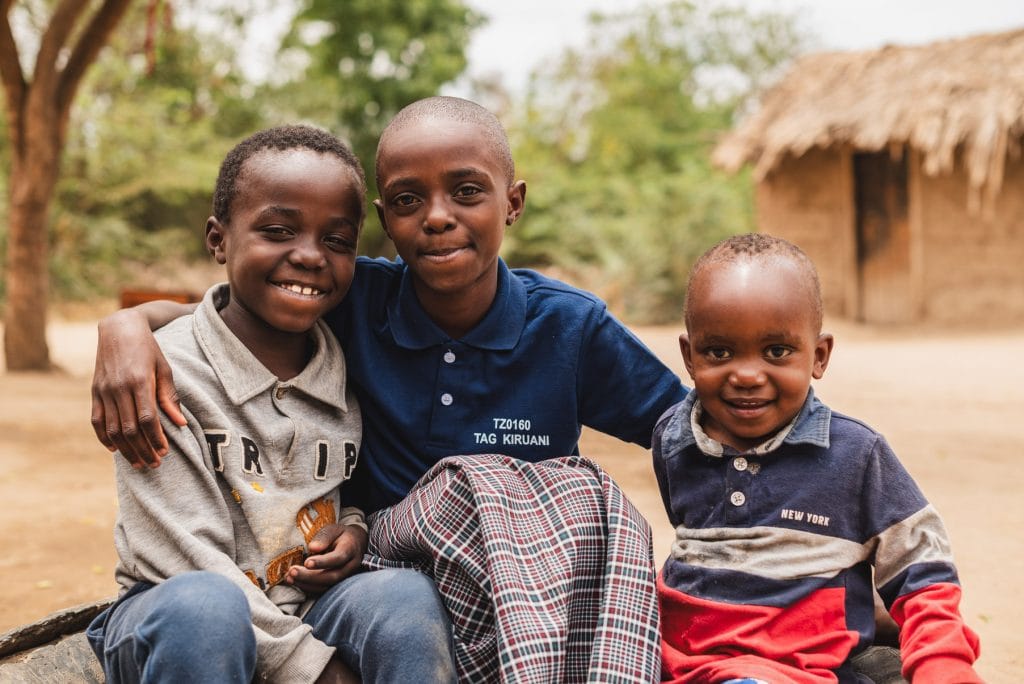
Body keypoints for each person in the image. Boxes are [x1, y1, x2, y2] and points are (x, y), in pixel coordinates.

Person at [91, 97, 687, 681]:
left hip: (511, 596)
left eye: (468, 191)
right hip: (231, 606)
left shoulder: (566, 326)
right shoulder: (354, 310)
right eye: (408, 200)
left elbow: (684, 431)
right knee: (211, 610)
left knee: (440, 584)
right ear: (386, 219)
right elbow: (238, 307)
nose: (436, 216)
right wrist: (128, 325)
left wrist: (733, 562)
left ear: (513, 202)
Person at [86, 125, 456, 684]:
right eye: (278, 230)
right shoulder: (164, 373)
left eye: (337, 240)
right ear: (218, 240)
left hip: (307, 609)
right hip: (177, 617)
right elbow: (180, 557)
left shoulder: (343, 368)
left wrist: (352, 530)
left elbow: (341, 492)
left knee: (404, 597)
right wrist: (319, 670)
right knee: (207, 610)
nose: (309, 256)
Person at [653, 233, 982, 683]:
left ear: (819, 355)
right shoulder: (674, 441)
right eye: (719, 352)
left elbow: (921, 569)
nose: (747, 374)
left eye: (777, 352)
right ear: (689, 357)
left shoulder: (855, 454)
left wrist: (942, 663)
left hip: (810, 669)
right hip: (687, 664)